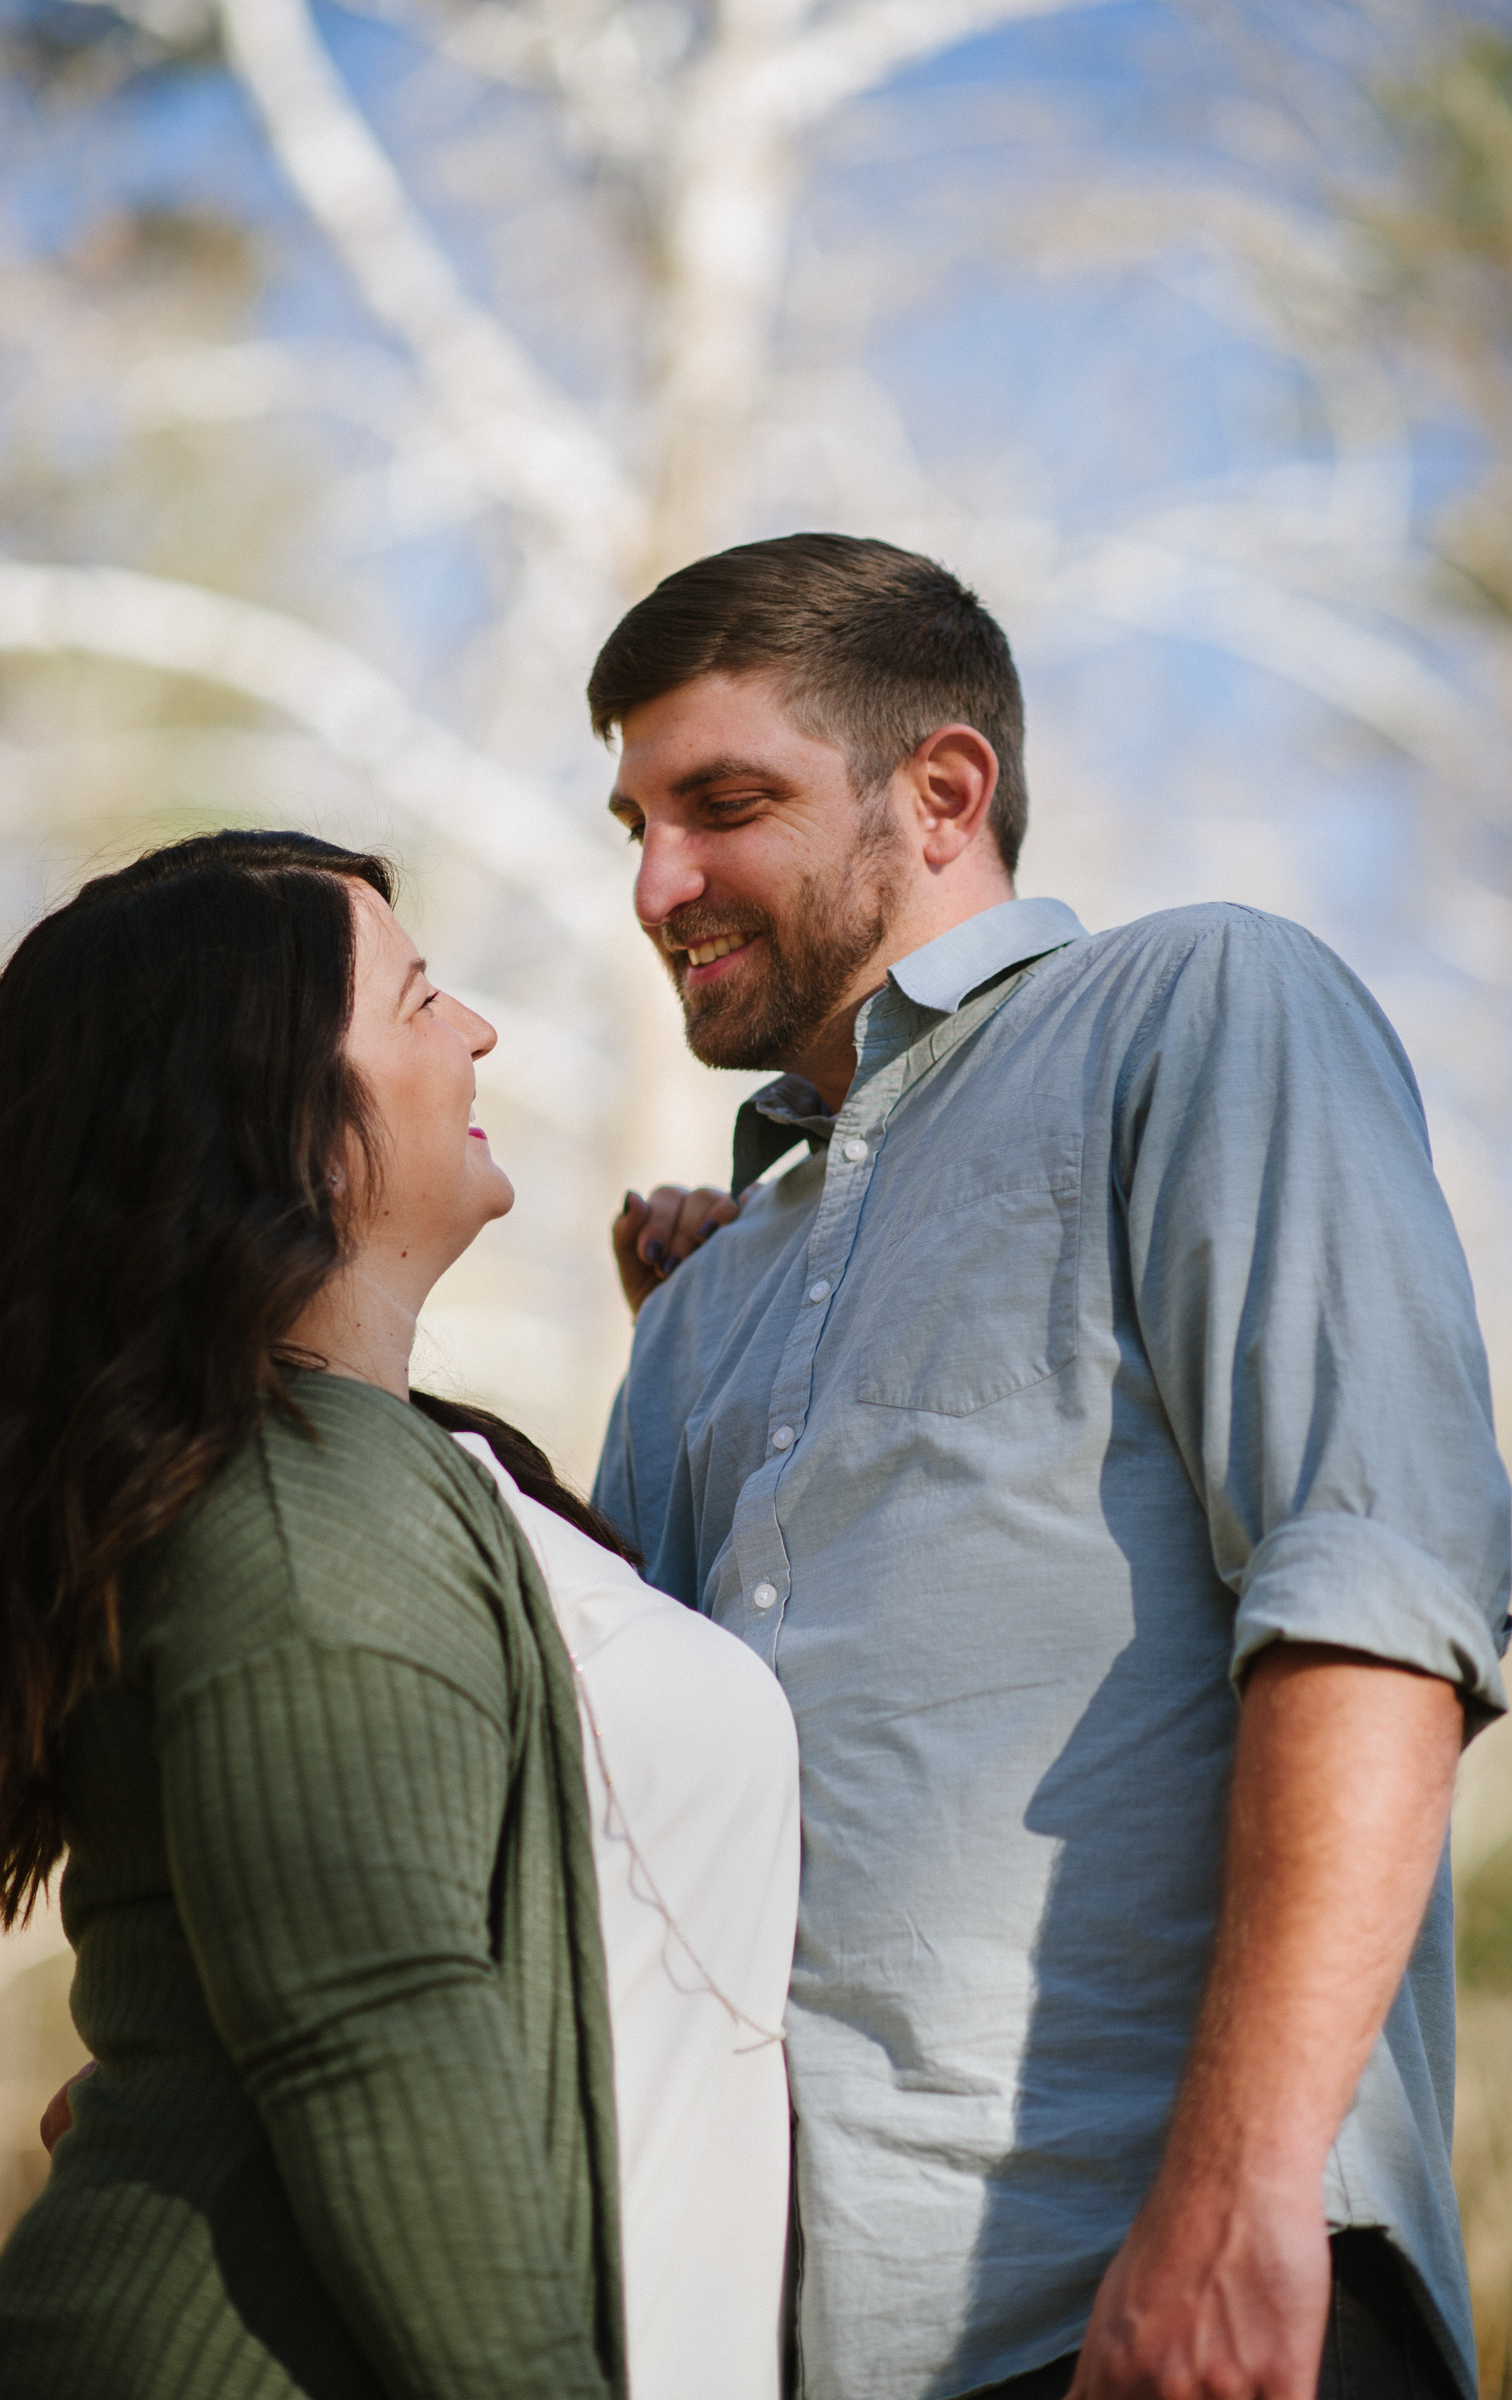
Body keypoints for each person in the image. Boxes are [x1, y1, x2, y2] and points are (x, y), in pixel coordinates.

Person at [589, 534, 1512, 2400]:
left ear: (941, 792)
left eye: (725, 804)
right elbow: (629, 1824)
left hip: (1181, 2295)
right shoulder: (698, 1307)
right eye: (632, 820)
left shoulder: (1194, 1012)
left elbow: (1374, 1592)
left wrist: (1237, 2196)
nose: (655, 882)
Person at [0, 829, 798, 2400]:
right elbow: (375, 2035)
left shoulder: (396, 1472)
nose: (477, 1031)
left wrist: (714, 1353)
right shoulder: (295, 1499)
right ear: (276, 1114)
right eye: (416, 1000)